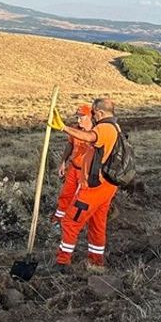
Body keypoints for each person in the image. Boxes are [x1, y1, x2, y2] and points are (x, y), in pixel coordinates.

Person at [51, 98, 121, 271]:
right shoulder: (115, 127)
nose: (93, 116)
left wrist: (63, 128)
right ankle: (96, 262)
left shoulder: (105, 128)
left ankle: (62, 262)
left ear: (100, 113)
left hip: (94, 187)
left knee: (70, 221)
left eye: (94, 112)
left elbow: (90, 136)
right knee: (97, 224)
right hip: (106, 185)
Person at [53, 104, 94, 225]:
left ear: (90, 116)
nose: (78, 120)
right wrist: (62, 162)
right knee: (66, 194)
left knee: (82, 199)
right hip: (73, 167)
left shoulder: (95, 132)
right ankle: (59, 217)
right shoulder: (75, 129)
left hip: (86, 172)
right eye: (78, 117)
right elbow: (70, 145)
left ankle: (76, 222)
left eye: (82, 117)